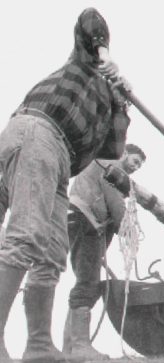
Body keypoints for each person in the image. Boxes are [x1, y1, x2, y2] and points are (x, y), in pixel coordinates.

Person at [0, 8, 131, 363]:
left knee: (51, 254)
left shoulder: (108, 105)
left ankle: (39, 347)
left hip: (60, 161)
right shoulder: (84, 65)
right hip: (38, 133)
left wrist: (122, 100)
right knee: (25, 238)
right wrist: (104, 55)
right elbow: (90, 20)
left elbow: (112, 150)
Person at [63, 144, 146, 361]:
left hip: (81, 220)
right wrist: (128, 229)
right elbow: (115, 204)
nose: (136, 167)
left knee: (85, 279)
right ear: (125, 153)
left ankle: (70, 347)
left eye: (139, 165)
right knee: (88, 281)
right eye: (135, 161)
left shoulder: (102, 164)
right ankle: (80, 346)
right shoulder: (111, 166)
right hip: (86, 221)